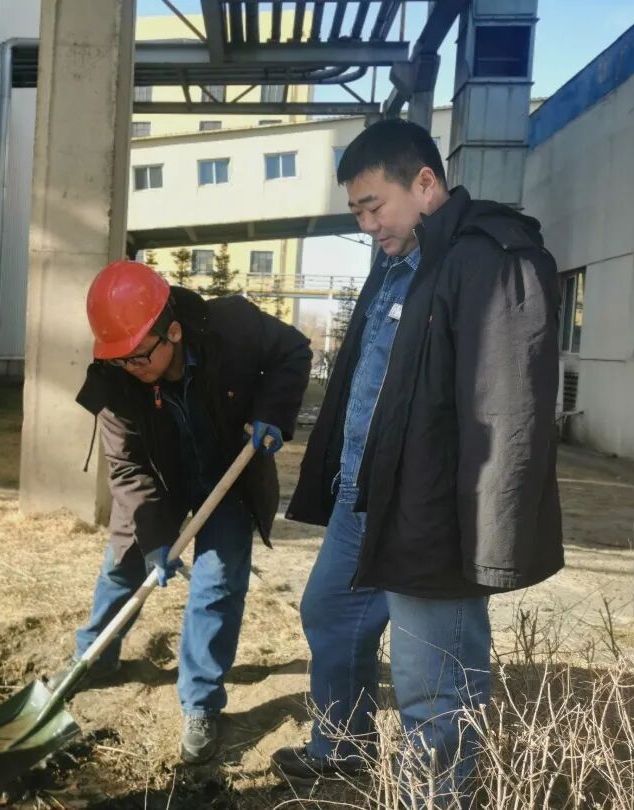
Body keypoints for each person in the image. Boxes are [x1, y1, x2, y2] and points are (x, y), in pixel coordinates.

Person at [272, 119, 564, 803]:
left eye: (373, 206)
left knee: (430, 677)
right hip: (365, 495)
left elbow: (508, 410)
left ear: (425, 182)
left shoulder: (491, 257)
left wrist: (484, 531)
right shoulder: (397, 263)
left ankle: (436, 796)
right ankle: (342, 748)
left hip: (432, 509)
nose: (366, 224)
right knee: (331, 613)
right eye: (357, 211)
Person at [57, 259, 312, 764]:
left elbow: (293, 351)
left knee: (217, 584)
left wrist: (272, 413)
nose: (130, 367)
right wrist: (155, 540)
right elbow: (128, 469)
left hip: (229, 474)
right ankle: (92, 658)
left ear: (172, 332)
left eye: (138, 356)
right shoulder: (115, 381)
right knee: (124, 564)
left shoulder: (233, 326)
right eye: (119, 359)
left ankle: (200, 703)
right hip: (160, 481)